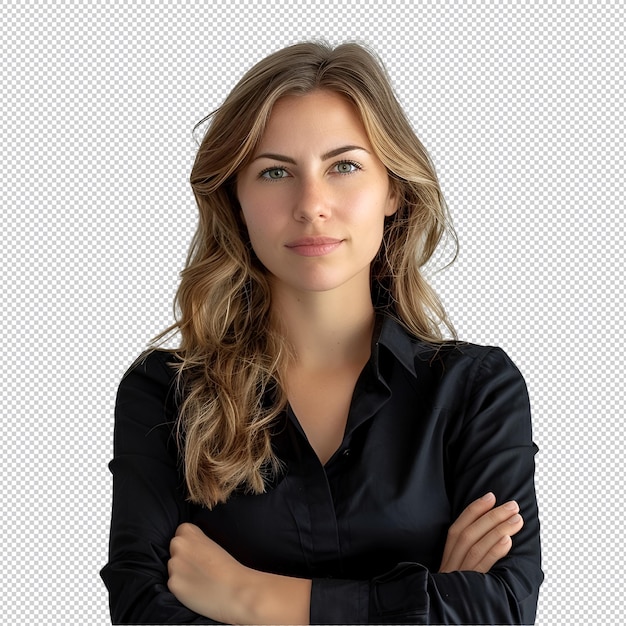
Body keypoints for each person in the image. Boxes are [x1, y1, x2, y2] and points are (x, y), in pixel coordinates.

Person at [100, 41, 543, 624]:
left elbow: (504, 609)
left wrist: (254, 598)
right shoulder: (163, 393)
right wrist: (427, 597)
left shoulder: (476, 390)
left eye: (344, 166)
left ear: (393, 190)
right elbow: (142, 611)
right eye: (275, 171)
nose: (311, 204)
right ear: (236, 197)